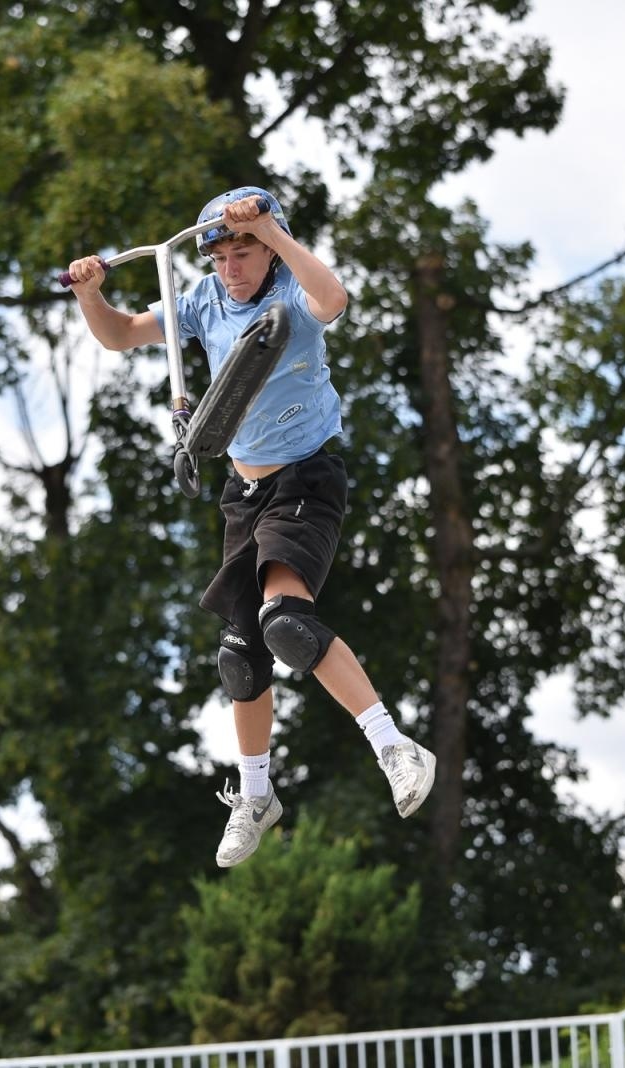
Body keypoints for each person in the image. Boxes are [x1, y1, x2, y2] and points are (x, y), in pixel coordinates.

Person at [64, 185, 437, 867]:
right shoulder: (202, 303)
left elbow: (334, 302)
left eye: (249, 251)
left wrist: (272, 228)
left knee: (286, 623)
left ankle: (393, 744)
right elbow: (120, 334)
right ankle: (258, 794)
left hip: (306, 477)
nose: (235, 265)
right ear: (208, 258)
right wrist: (91, 295)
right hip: (244, 492)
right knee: (240, 654)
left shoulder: (292, 291)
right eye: (225, 254)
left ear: (269, 251)